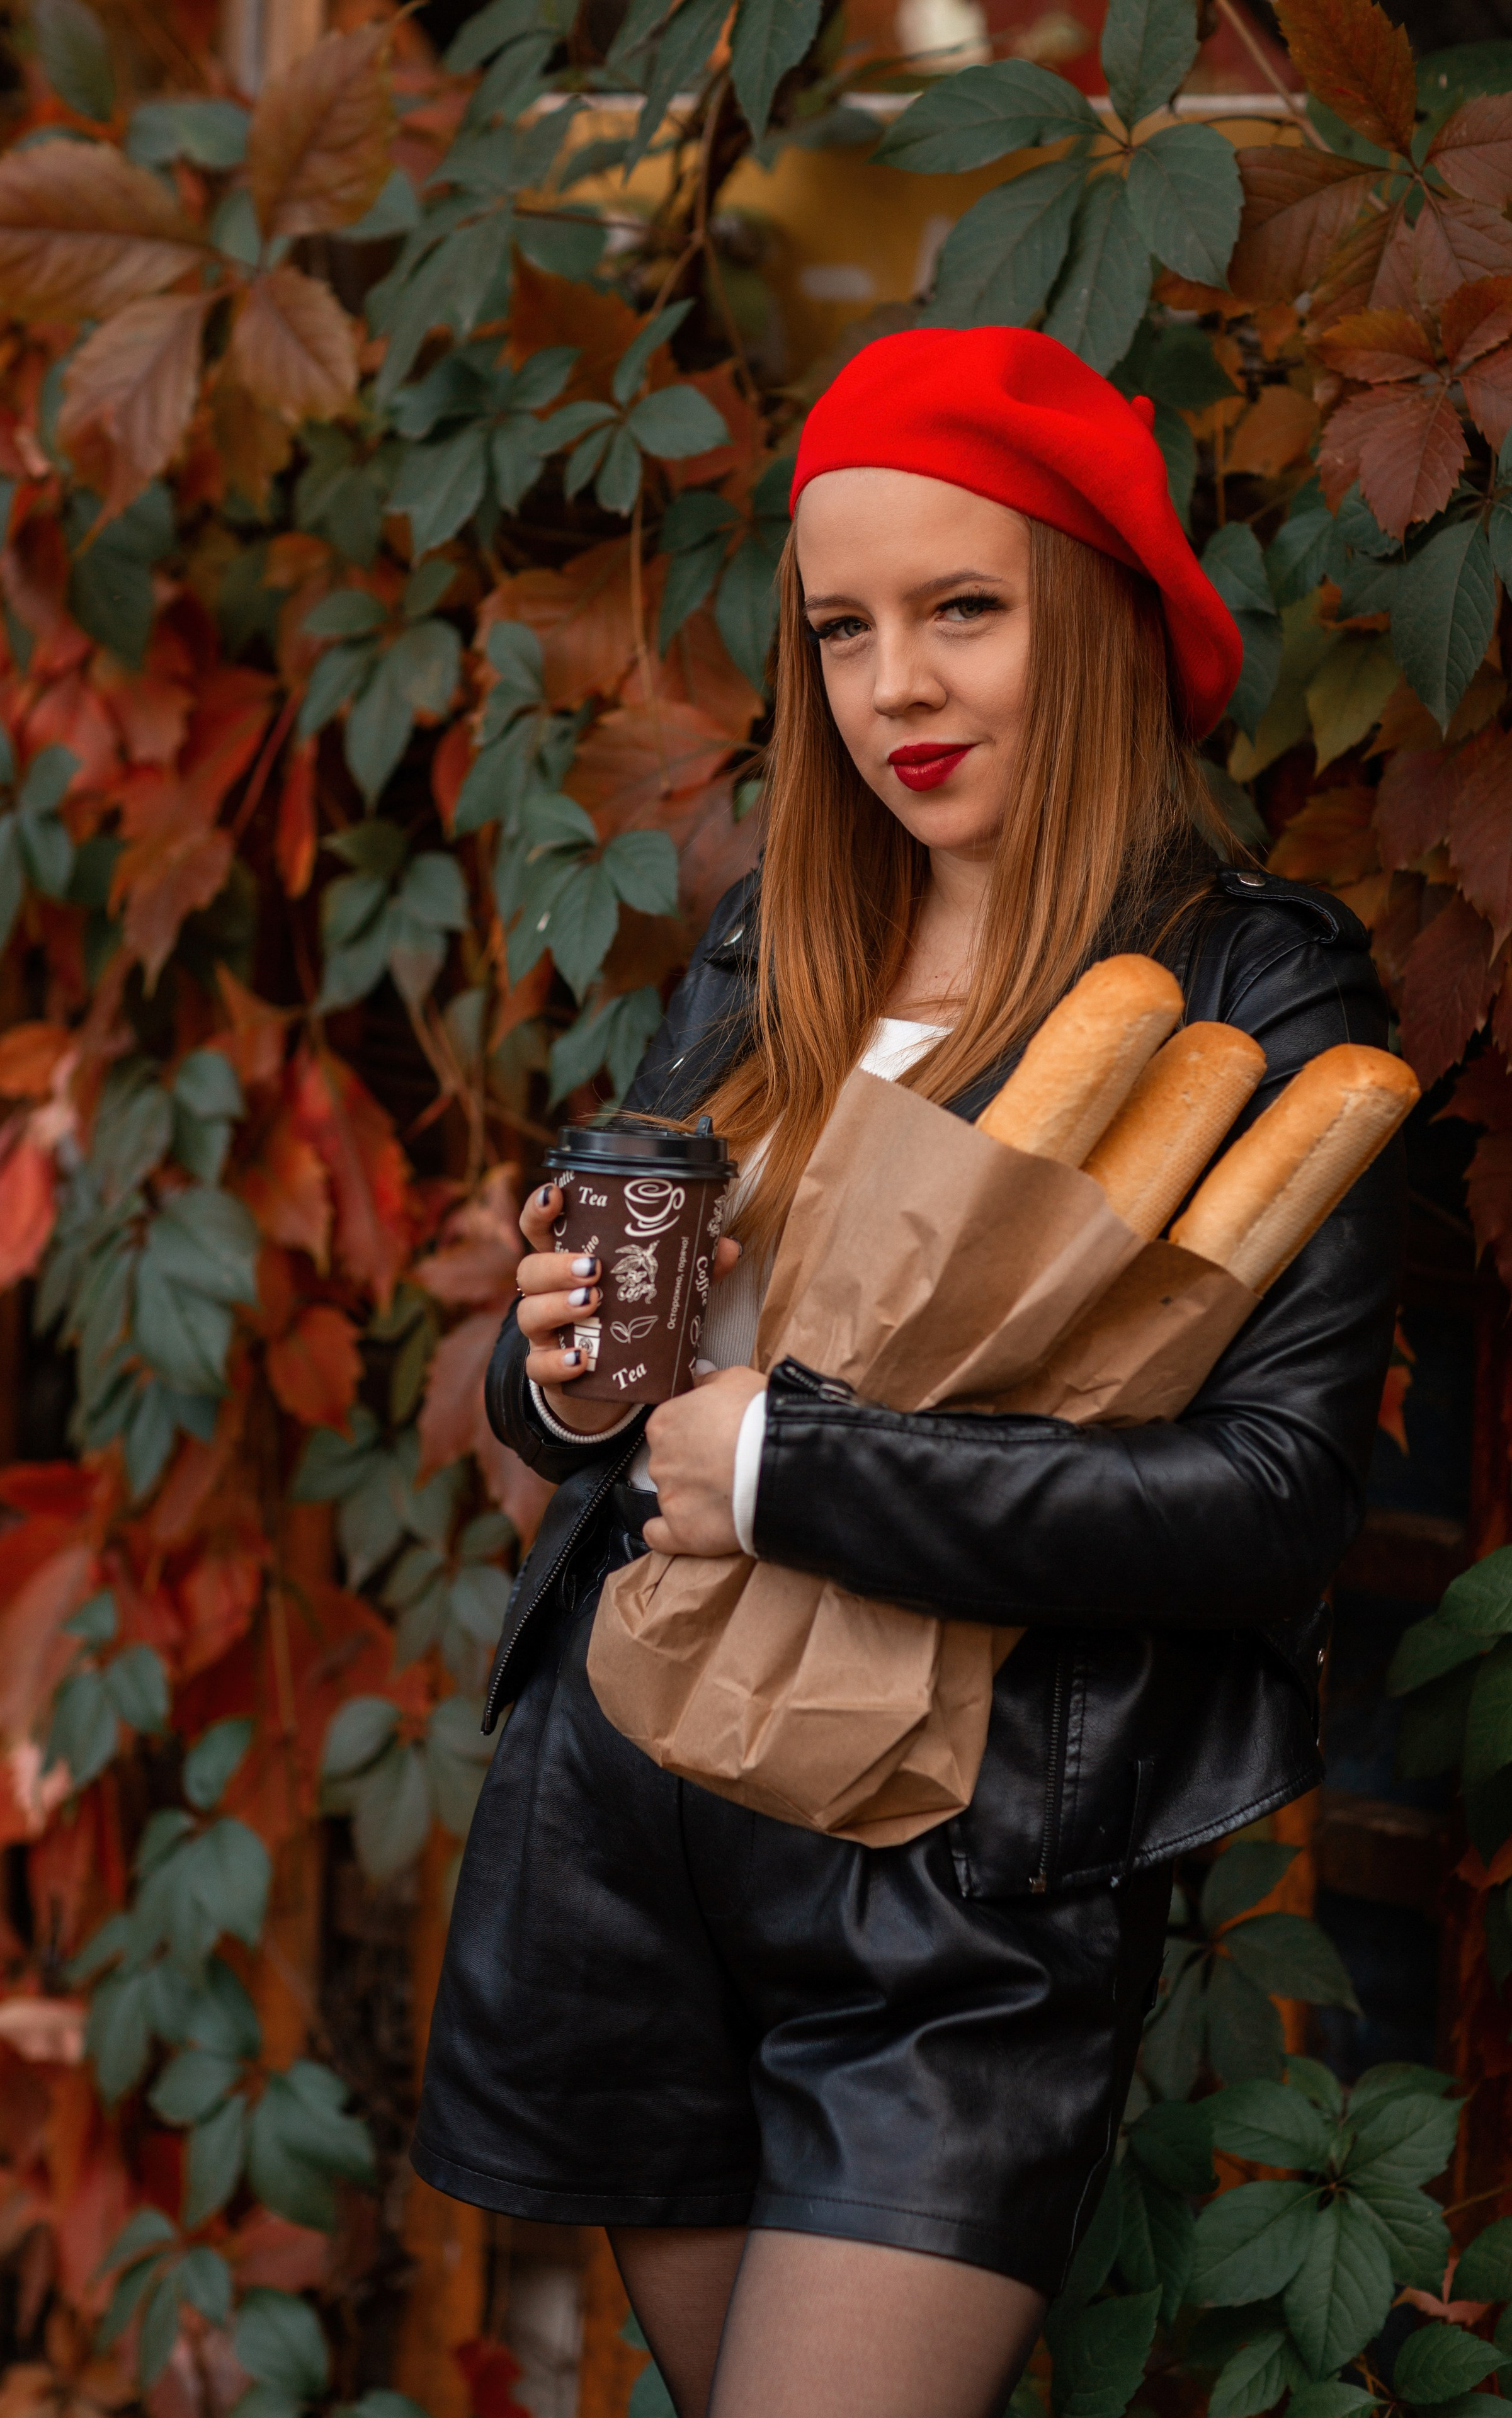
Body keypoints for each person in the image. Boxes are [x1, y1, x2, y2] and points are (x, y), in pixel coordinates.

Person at [411, 327, 1404, 2418]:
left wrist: (792, 1469)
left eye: (967, 610)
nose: (899, 690)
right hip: (631, 1823)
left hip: (957, 1904)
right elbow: (591, 1421)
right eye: (846, 630)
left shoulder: (1251, 985)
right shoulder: (779, 947)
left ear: (1110, 623)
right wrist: (556, 1370)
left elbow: (1274, 1503)